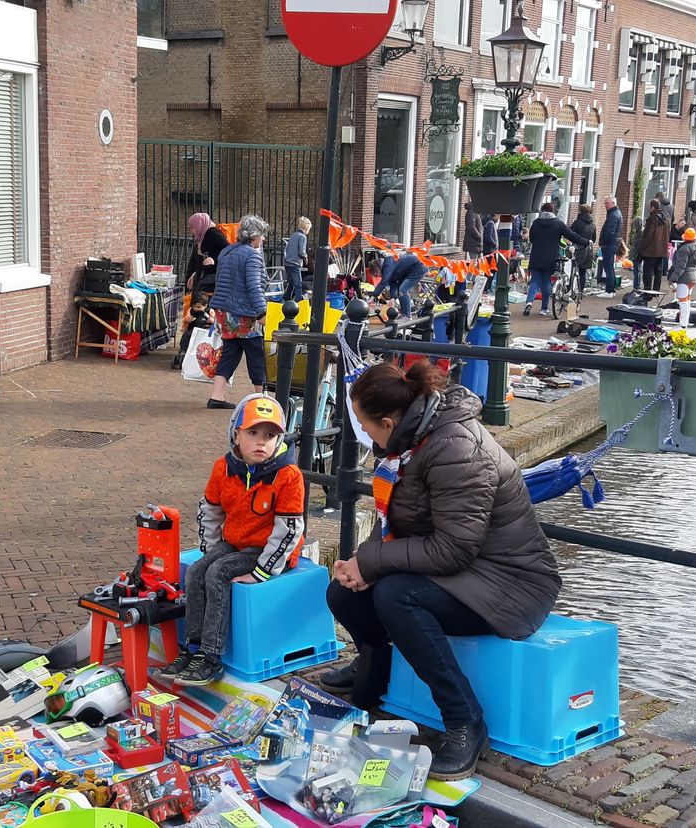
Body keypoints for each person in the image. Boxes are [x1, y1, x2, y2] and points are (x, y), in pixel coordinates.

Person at [320, 361, 560, 780]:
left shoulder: (457, 449)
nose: (362, 433)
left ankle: (465, 720)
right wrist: (361, 563)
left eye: (363, 424)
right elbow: (399, 522)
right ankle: (377, 667)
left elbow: (452, 548)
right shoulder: (412, 442)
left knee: (397, 596)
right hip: (469, 570)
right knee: (345, 593)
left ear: (390, 421)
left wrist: (373, 564)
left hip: (512, 584)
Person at [159, 395, 305, 685]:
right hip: (235, 542)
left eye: (270, 435)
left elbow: (289, 529)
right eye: (252, 433)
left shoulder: (288, 475)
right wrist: (211, 551)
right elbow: (210, 511)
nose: (261, 442)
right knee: (199, 570)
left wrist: (263, 570)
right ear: (235, 434)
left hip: (266, 549)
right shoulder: (223, 468)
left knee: (218, 572)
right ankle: (193, 647)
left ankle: (212, 656)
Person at [206, 215, 270, 410]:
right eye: (261, 235)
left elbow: (221, 282)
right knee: (256, 354)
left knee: (230, 353)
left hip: (225, 312)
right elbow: (254, 286)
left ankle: (216, 395)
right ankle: (261, 396)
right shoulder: (252, 255)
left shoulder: (226, 252)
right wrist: (261, 312)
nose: (263, 239)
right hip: (245, 314)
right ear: (253, 236)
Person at [523, 202, 589, 316]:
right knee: (546, 282)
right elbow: (572, 235)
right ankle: (544, 309)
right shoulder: (558, 224)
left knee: (535, 281)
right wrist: (586, 242)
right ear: (553, 211)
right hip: (551, 257)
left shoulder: (535, 223)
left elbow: (532, 239)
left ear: (542, 211)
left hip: (536, 256)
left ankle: (529, 302)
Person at [367, 252, 429, 319]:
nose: (378, 277)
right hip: (411, 270)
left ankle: (407, 316)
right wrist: (393, 298)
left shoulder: (388, 264)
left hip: (418, 267)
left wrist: (373, 296)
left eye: (376, 275)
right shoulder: (387, 268)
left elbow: (384, 281)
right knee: (401, 290)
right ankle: (404, 314)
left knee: (403, 290)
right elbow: (393, 283)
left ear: (377, 270)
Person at [187, 212, 230, 301]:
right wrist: (195, 274)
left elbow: (228, 250)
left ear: (200, 225)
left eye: (193, 227)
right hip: (207, 276)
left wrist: (214, 259)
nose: (191, 231)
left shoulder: (214, 234)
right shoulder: (201, 238)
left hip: (214, 279)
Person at [669, 228, 696, 329]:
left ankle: (683, 325)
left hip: (684, 278)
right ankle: (684, 323)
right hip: (693, 277)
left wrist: (672, 279)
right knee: (687, 301)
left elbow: (680, 267)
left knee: (683, 302)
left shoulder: (683, 249)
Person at [640, 198, 671, 293]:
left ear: (652, 207)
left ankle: (647, 290)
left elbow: (648, 235)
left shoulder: (652, 219)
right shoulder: (666, 218)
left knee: (648, 271)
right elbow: (668, 233)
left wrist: (643, 247)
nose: (648, 209)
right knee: (658, 271)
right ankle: (656, 290)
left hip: (650, 250)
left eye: (649, 207)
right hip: (662, 250)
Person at [598, 197, 623, 296]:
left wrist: (603, 242)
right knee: (609, 267)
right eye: (605, 203)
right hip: (612, 243)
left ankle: (609, 290)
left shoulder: (613, 215)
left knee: (608, 267)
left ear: (613, 203)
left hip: (609, 244)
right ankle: (611, 289)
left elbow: (609, 232)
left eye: (607, 203)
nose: (605, 205)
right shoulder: (616, 213)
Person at [283, 216, 311, 301]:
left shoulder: (293, 235)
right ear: (306, 228)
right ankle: (298, 301)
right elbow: (301, 252)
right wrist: (305, 257)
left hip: (287, 263)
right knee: (298, 284)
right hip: (295, 263)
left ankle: (286, 297)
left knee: (291, 282)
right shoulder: (302, 237)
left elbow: (287, 249)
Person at [569, 205, 597, 289]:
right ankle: (581, 290)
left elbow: (570, 234)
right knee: (583, 272)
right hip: (588, 250)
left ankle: (571, 289)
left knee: (573, 269)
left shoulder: (577, 223)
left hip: (577, 249)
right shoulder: (593, 224)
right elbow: (594, 239)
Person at [627, 215, 644, 290]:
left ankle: (636, 287)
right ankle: (636, 286)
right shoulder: (639, 232)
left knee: (637, 271)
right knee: (637, 271)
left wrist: (634, 254)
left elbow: (638, 245)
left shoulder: (639, 233)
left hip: (637, 255)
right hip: (637, 254)